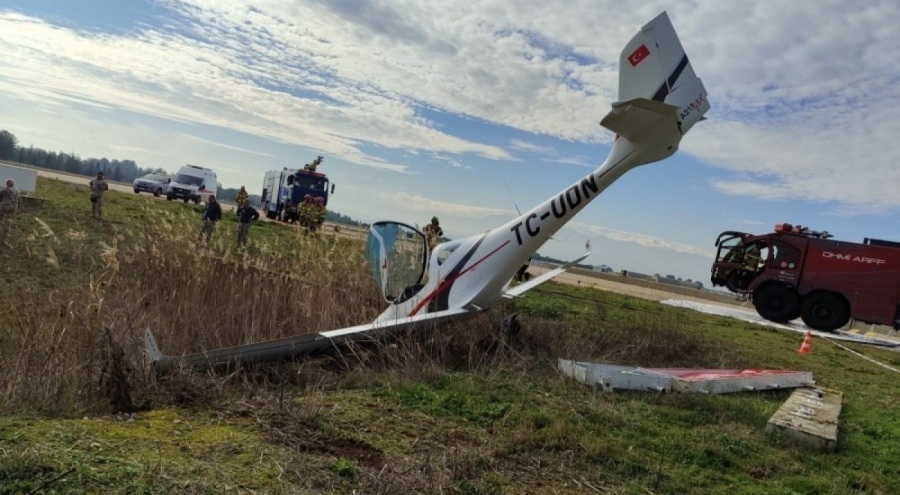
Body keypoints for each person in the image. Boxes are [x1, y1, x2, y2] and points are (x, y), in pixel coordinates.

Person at [0, 178, 20, 246]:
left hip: (4, 207)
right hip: (13, 208)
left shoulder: (5, 190)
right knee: (9, 222)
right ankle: (5, 237)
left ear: (7, 184)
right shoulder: (16, 191)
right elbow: (19, 200)